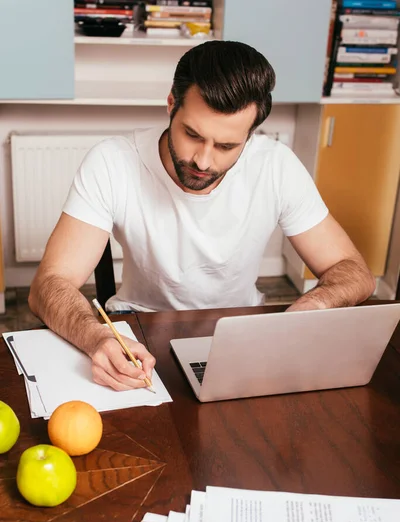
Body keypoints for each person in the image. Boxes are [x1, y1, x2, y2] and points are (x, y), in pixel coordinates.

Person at [28, 40, 375, 392]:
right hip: (139, 331)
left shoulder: (276, 165)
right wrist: (95, 337)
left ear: (249, 135)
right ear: (170, 105)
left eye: (226, 146)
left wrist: (315, 305)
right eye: (192, 134)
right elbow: (48, 286)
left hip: (242, 335)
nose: (204, 161)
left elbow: (354, 271)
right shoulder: (112, 162)